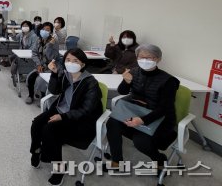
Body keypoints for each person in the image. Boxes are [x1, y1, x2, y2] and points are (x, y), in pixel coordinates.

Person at [30, 49, 103, 186]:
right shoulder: (65, 75)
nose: (71, 63)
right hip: (60, 109)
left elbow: (86, 110)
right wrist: (54, 74)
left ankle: (59, 169)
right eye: (68, 60)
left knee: (50, 130)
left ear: (82, 64)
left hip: (78, 119)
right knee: (37, 123)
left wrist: (63, 116)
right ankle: (36, 150)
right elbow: (54, 91)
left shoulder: (90, 82)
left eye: (75, 61)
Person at [106, 44, 179, 172]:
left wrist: (142, 120)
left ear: (158, 59)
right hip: (135, 111)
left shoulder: (168, 81)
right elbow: (122, 91)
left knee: (140, 141)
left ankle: (160, 159)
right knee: (112, 123)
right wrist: (126, 81)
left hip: (159, 118)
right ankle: (117, 161)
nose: (144, 60)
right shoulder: (134, 72)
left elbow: (164, 108)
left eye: (149, 58)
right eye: (141, 57)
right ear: (137, 57)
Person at [26, 22, 59, 105]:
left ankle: (43, 98)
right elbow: (34, 53)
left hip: (50, 67)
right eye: (43, 29)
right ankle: (30, 95)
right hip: (40, 66)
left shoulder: (54, 42)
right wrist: (38, 64)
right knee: (31, 77)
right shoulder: (38, 40)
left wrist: (49, 46)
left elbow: (51, 57)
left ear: (51, 32)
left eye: (47, 30)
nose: (44, 31)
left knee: (42, 81)